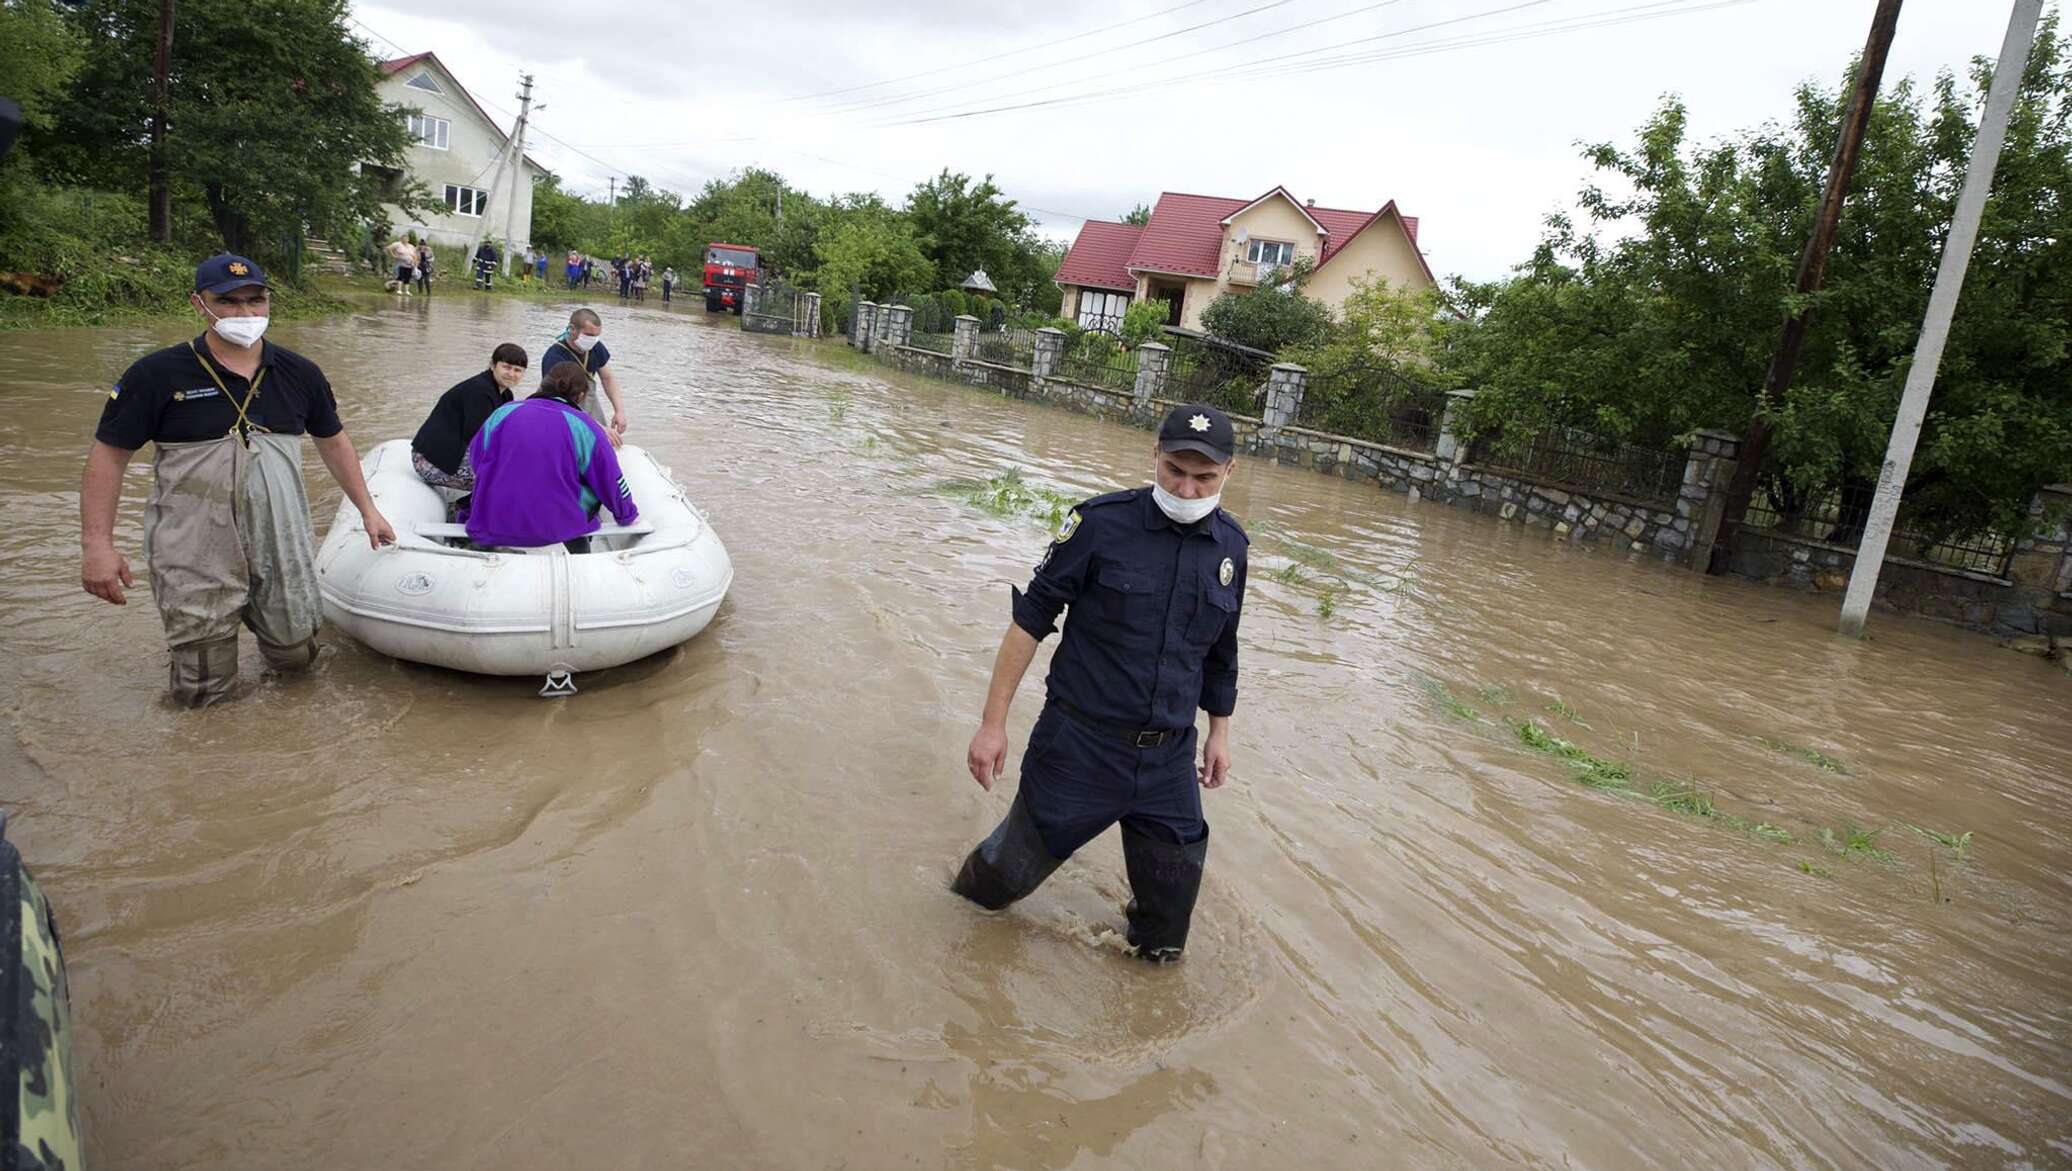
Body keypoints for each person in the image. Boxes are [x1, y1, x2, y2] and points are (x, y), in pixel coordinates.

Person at [951, 403, 1248, 963]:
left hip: (1168, 761)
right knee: (994, 887)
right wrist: (992, 726)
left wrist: (1219, 733)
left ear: (1229, 473)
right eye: (1174, 471)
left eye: (1203, 477)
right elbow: (1029, 622)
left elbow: (1222, 647)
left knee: (1164, 936)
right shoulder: (1100, 526)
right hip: (1079, 750)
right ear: (1154, 456)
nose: (1186, 489)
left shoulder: (1232, 548)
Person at [79, 254, 396, 707]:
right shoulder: (155, 375)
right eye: (227, 303)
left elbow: (334, 441)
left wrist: (369, 511)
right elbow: (108, 458)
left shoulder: (300, 373)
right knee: (204, 684)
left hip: (279, 538)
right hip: (193, 544)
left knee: (296, 656)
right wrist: (98, 546)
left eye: (256, 300)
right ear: (199, 304)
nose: (245, 314)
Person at [463, 364, 636, 553]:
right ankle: (580, 560)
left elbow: (477, 458)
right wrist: (626, 514)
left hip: (493, 521)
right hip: (558, 528)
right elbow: (609, 477)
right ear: (580, 396)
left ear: (542, 386)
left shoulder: (503, 412)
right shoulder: (585, 425)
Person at [409, 343, 527, 490]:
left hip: (451, 452)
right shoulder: (480, 392)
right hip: (429, 461)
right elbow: (478, 438)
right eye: (506, 367)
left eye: (518, 370)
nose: (511, 374)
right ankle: (473, 510)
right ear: (492, 364)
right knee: (507, 479)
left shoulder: (505, 394)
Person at [539, 308, 627, 437]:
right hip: (562, 412)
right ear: (572, 330)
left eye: (597, 336)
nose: (593, 340)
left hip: (589, 407)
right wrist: (598, 427)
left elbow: (607, 378)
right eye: (589, 335)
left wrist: (619, 411)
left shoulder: (595, 347)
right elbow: (558, 400)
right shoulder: (554, 357)